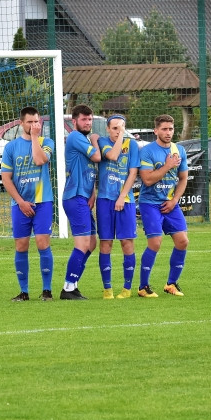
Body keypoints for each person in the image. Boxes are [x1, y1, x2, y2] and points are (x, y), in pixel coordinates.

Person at [0, 106, 55, 302]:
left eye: (36, 122)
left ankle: (47, 290)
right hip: (20, 204)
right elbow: (6, 178)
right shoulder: (11, 147)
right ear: (21, 123)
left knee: (42, 243)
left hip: (43, 201)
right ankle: (24, 291)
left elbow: (40, 160)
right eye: (30, 122)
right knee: (21, 246)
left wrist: (34, 138)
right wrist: (20, 202)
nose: (34, 125)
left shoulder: (46, 142)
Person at [137, 114, 190, 298]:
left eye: (171, 129)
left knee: (183, 241)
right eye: (164, 129)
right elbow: (147, 179)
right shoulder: (147, 151)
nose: (168, 133)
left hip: (170, 203)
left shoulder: (179, 150)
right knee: (155, 242)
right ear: (156, 131)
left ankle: (171, 284)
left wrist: (175, 200)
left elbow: (183, 179)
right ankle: (143, 287)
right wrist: (167, 166)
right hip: (150, 203)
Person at [59, 104, 104, 300]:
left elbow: (89, 171)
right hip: (74, 197)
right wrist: (95, 140)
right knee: (83, 243)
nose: (88, 122)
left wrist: (92, 193)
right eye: (84, 119)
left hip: (84, 197)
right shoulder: (76, 137)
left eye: (90, 119)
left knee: (92, 243)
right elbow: (97, 156)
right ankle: (68, 288)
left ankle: (73, 283)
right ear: (74, 121)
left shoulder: (82, 139)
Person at [96, 115, 139, 299]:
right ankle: (107, 289)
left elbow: (133, 172)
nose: (117, 131)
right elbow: (113, 156)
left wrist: (122, 196)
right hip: (105, 200)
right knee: (105, 243)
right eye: (114, 128)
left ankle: (127, 289)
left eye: (121, 128)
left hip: (125, 201)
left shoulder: (133, 145)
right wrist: (121, 136)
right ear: (108, 129)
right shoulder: (103, 142)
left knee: (127, 242)